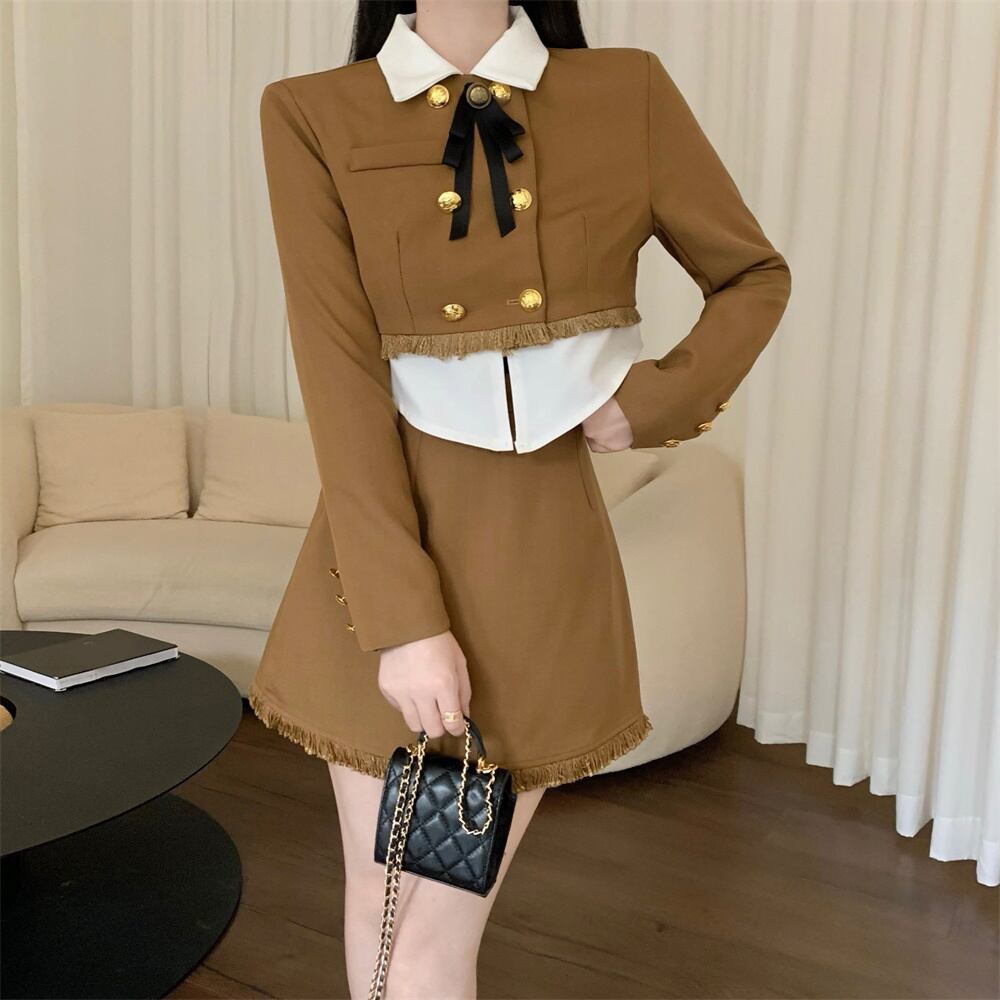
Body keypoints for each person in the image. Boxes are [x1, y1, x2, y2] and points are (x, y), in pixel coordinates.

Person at [248, 2, 791, 996]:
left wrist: (651, 401)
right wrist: (402, 621)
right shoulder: (310, 111)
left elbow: (753, 274)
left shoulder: (623, 93)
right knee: (379, 907)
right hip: (374, 562)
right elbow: (338, 376)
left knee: (434, 927)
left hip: (537, 558)